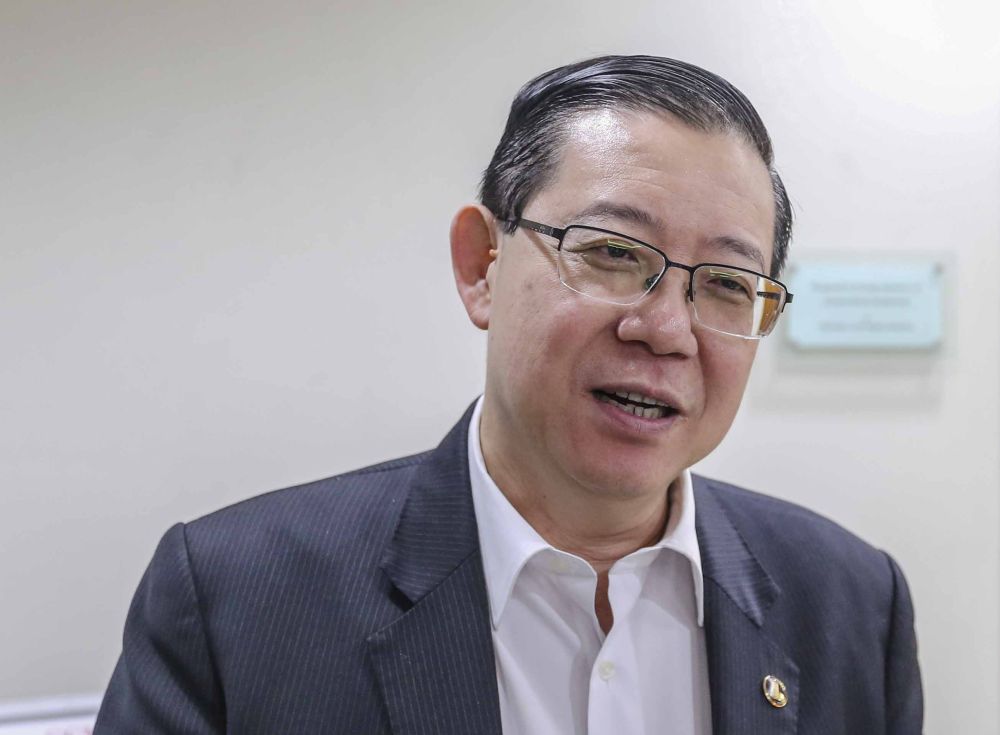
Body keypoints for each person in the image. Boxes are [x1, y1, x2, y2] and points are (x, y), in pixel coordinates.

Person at [94, 55, 922, 734]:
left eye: (728, 284)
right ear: (481, 264)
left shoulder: (852, 603)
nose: (667, 328)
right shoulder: (237, 597)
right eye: (613, 253)